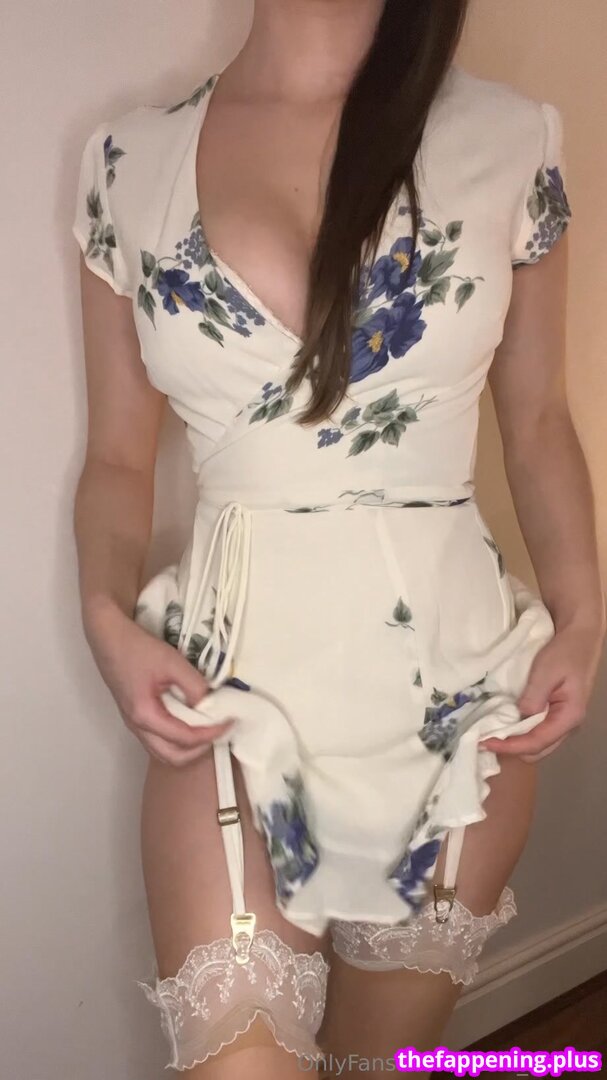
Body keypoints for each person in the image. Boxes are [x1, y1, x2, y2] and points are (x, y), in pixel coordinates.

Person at [71, 1, 605, 1076]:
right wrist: (102, 615)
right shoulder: (126, 162)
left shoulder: (510, 140)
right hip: (227, 684)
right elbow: (120, 458)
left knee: (380, 1065)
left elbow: (538, 419)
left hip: (455, 691)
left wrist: (583, 615)